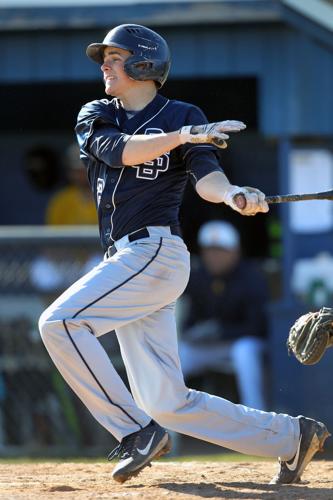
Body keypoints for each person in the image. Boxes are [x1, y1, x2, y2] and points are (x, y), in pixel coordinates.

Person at [38, 24, 330, 485]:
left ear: (144, 64)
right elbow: (119, 153)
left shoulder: (182, 114)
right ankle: (292, 437)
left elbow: (207, 180)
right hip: (126, 261)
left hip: (155, 251)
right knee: (165, 401)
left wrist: (234, 194)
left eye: (115, 57)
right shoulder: (98, 112)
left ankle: (135, 432)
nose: (105, 65)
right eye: (105, 58)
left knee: (60, 324)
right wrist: (183, 135)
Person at [179, 220, 268, 410]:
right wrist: (196, 333)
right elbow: (189, 320)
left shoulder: (251, 276)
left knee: (244, 352)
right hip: (211, 345)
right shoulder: (199, 276)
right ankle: (164, 421)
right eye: (209, 251)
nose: (214, 256)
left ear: (235, 251)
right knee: (180, 354)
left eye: (220, 251)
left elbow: (257, 326)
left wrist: (221, 331)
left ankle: (258, 416)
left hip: (243, 343)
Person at [45, 142, 98, 225]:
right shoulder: (61, 200)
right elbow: (53, 235)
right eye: (76, 171)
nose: (80, 175)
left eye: (84, 169)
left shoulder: (112, 198)